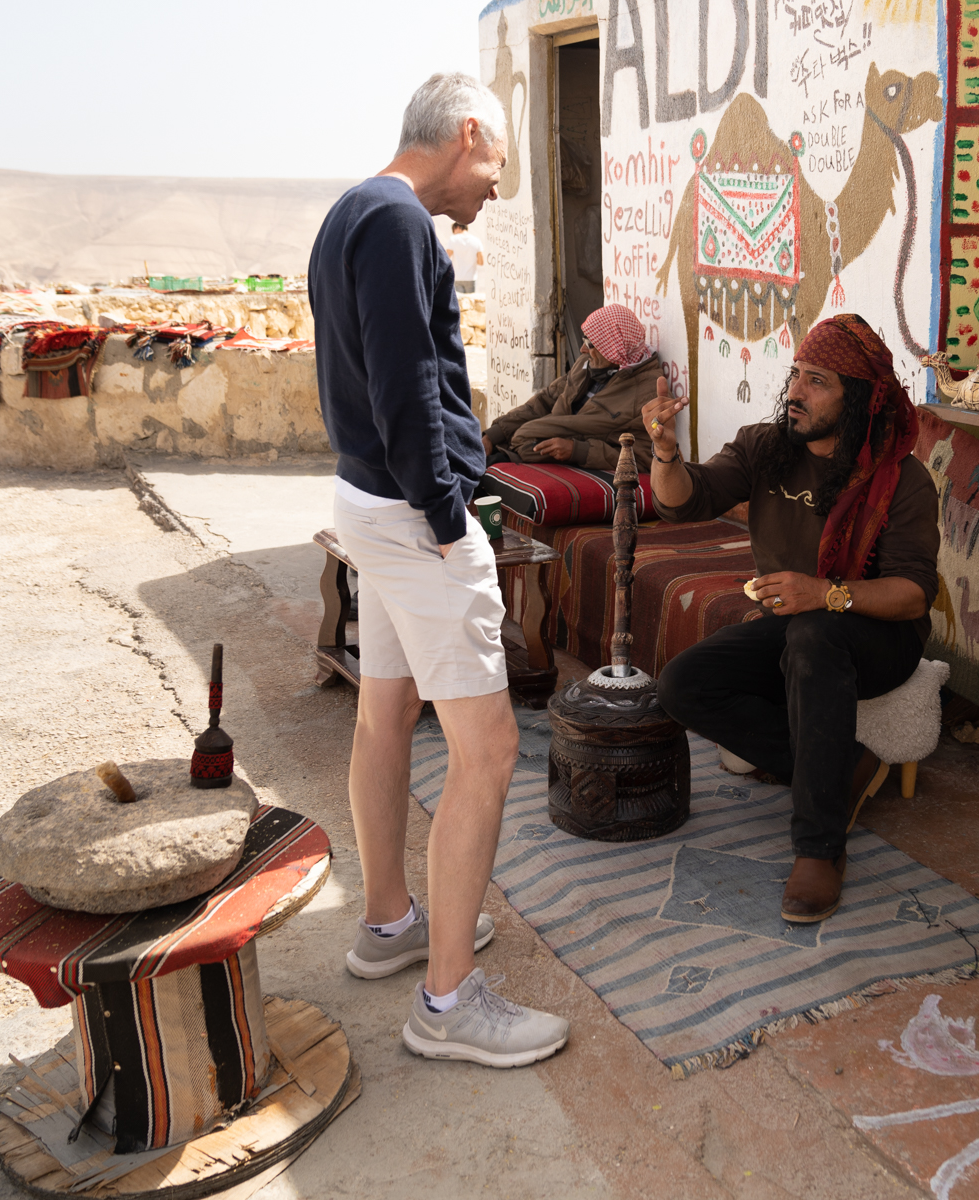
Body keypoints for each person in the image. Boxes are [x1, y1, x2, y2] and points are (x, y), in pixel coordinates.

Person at [308, 72, 568, 1068]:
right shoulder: (400, 221)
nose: (494, 191)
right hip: (414, 516)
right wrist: (452, 517)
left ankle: (388, 924)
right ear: (467, 136)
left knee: (386, 708)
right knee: (489, 751)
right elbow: (411, 382)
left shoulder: (351, 211)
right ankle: (449, 1004)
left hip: (366, 501)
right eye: (496, 166)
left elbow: (366, 374)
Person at [648, 314, 938, 922]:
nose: (796, 393)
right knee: (681, 684)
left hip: (879, 635)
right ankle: (844, 767)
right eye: (797, 375)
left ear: (857, 395)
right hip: (798, 623)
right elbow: (686, 503)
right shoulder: (766, 446)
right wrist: (666, 455)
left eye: (819, 381)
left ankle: (818, 847)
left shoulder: (900, 480)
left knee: (812, 635)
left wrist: (825, 593)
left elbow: (912, 595)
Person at [482, 304, 664, 470]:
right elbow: (546, 400)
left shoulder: (647, 392)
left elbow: (645, 456)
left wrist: (578, 451)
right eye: (585, 340)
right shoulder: (587, 364)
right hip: (526, 447)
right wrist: (493, 435)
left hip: (566, 462)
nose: (583, 350)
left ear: (615, 348)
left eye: (591, 344)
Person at [448, 221, 483, 293]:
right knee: (470, 302)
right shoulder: (476, 241)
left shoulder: (453, 239)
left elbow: (446, 257)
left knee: (459, 303)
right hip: (471, 278)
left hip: (457, 277)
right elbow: (481, 262)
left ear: (457, 227)